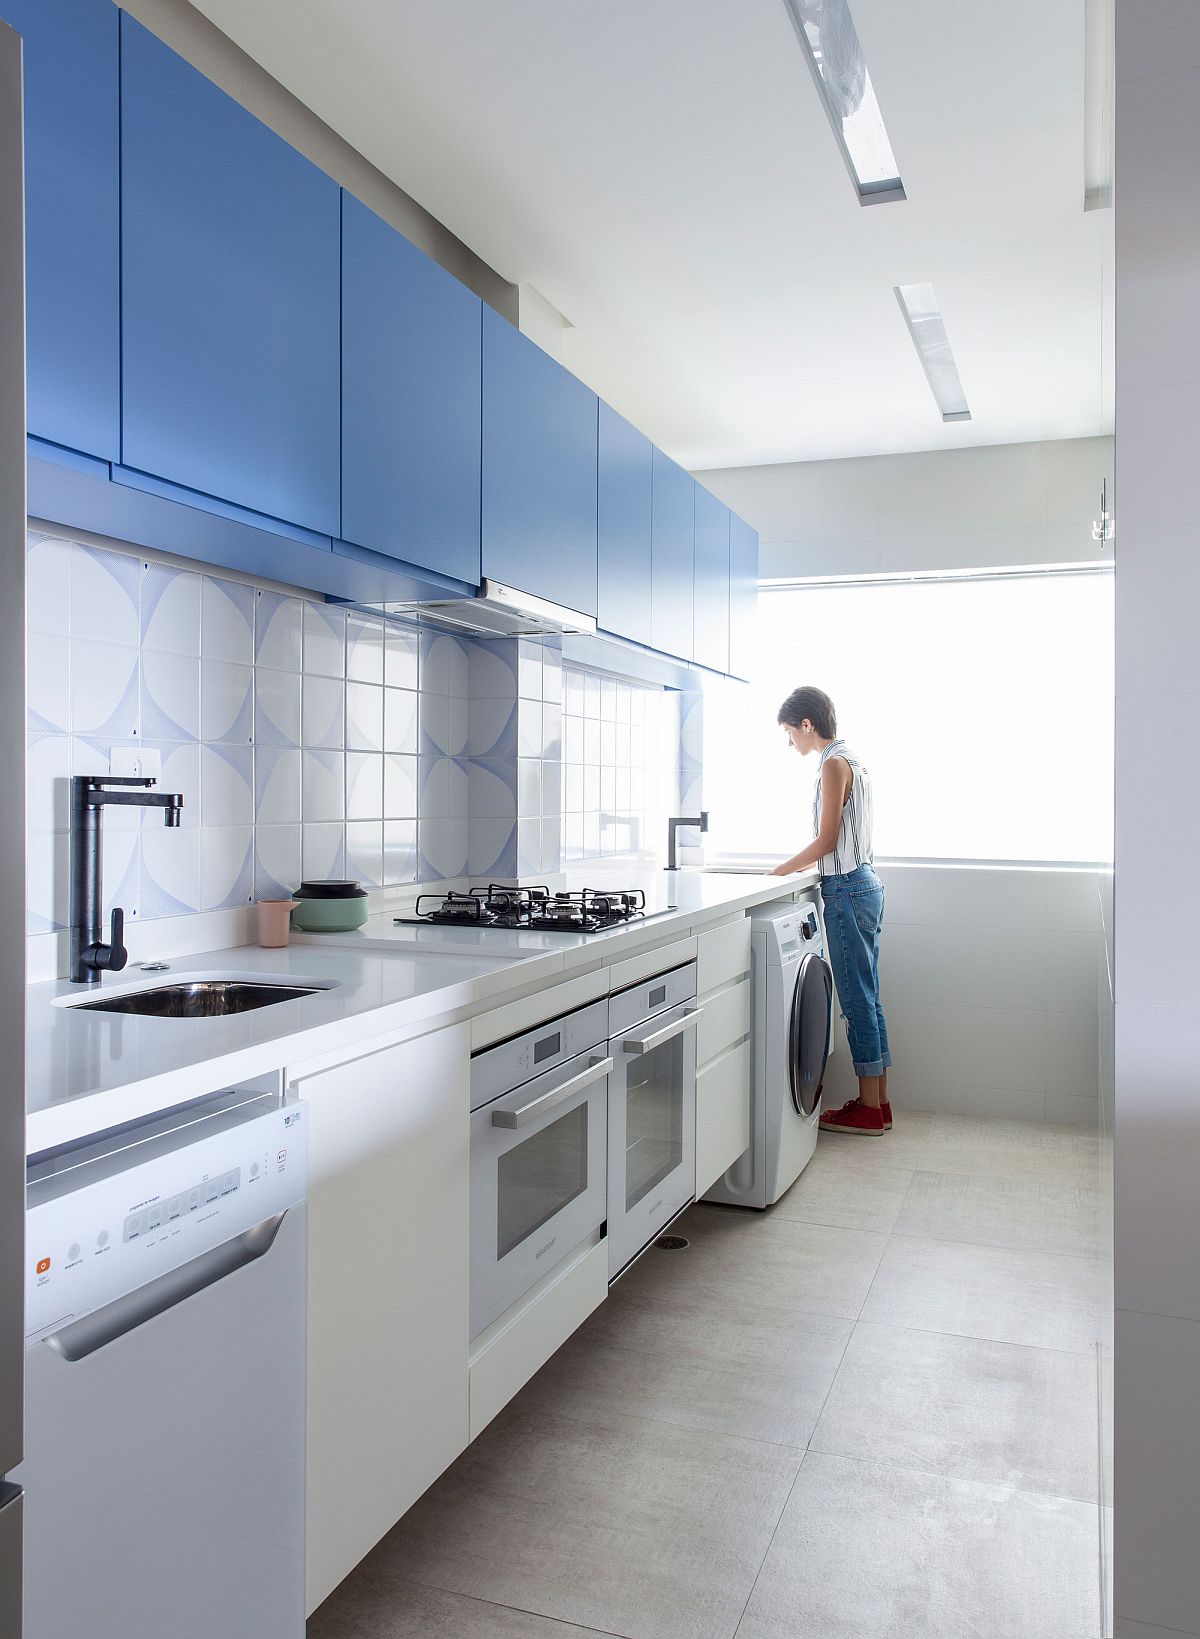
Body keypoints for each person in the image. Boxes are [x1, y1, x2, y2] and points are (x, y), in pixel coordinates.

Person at [769, 686, 892, 1137]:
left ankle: (869, 1110)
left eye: (790, 732)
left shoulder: (833, 765)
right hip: (865, 886)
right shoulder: (853, 761)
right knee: (869, 995)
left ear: (807, 724)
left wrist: (777, 873)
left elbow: (827, 841)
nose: (790, 743)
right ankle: (878, 1103)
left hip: (846, 890)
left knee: (857, 999)